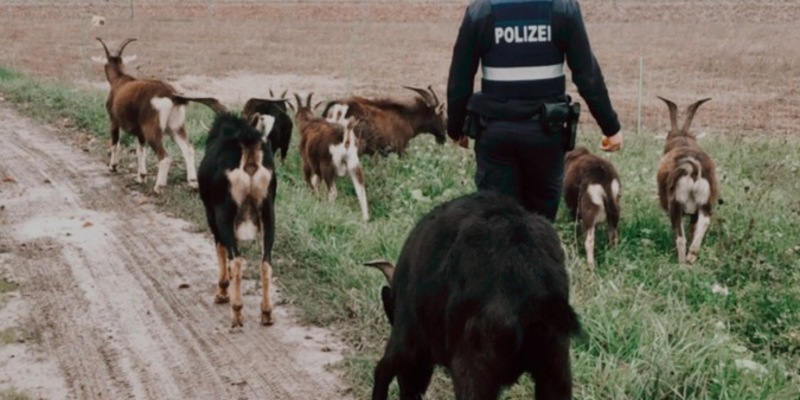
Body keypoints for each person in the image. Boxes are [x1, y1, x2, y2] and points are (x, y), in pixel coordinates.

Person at [447, 0, 622, 221]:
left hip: (496, 136)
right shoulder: (562, 8)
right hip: (545, 136)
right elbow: (587, 75)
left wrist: (455, 128)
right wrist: (611, 127)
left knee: (499, 225)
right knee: (540, 226)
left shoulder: (481, 11)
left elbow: (460, 79)